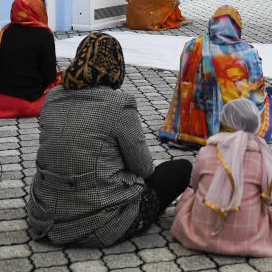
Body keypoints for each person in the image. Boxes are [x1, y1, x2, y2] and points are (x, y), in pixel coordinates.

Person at [27, 33, 192, 247]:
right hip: (99, 221)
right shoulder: (119, 103)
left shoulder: (53, 96)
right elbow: (143, 168)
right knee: (181, 168)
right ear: (116, 64)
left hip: (45, 215)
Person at [171, 99, 272, 257]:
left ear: (223, 121)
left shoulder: (206, 152)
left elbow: (196, 185)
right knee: (270, 212)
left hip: (201, 234)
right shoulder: (261, 157)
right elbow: (271, 196)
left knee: (190, 198)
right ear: (255, 124)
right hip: (249, 237)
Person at [159, 6, 272, 147]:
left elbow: (185, 86)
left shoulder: (192, 47)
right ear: (236, 27)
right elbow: (256, 95)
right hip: (236, 119)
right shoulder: (247, 52)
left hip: (196, 120)